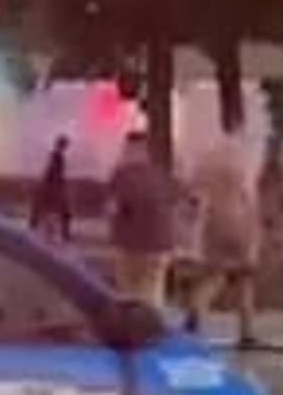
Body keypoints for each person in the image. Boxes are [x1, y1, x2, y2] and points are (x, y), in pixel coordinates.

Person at [185, 137, 264, 349]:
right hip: (241, 223)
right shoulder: (240, 163)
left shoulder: (204, 165)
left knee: (213, 276)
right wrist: (256, 231)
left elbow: (192, 198)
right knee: (244, 280)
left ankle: (197, 309)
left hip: (215, 223)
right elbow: (249, 196)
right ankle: (247, 332)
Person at [105, 132, 177, 307]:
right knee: (153, 291)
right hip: (161, 245)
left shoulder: (121, 174)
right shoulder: (159, 173)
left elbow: (112, 208)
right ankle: (155, 327)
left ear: (129, 150)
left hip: (130, 245)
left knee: (129, 293)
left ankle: (136, 329)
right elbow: (172, 201)